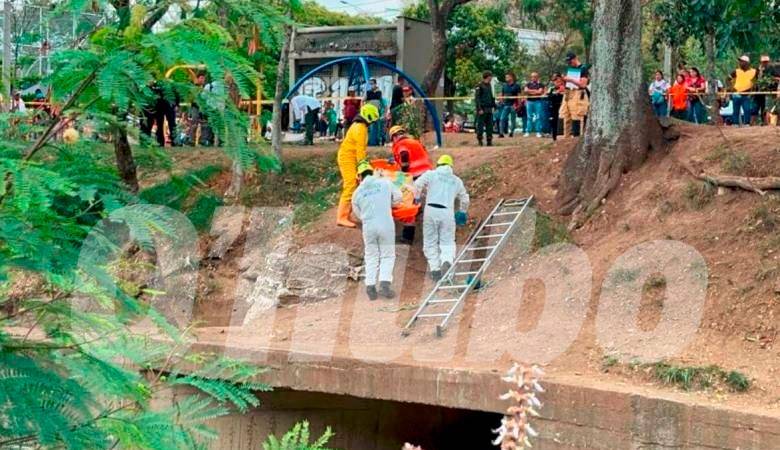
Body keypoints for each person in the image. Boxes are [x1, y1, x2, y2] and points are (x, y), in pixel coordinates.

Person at [352, 160, 403, 300]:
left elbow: (358, 214)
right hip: (385, 222)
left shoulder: (356, 193)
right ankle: (385, 285)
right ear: (371, 172)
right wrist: (389, 204)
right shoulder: (385, 182)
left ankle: (370, 286)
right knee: (387, 254)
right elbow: (399, 197)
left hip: (368, 226)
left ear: (359, 176)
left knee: (371, 255)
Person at [414, 154, 470, 281]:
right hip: (447, 212)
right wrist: (462, 211)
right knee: (448, 241)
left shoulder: (431, 174)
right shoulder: (456, 180)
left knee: (430, 242)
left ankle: (435, 270)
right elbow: (465, 198)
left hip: (431, 210)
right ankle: (447, 261)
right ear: (450, 166)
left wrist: (417, 198)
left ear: (438, 165)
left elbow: (417, 184)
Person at [336, 104, 380, 228]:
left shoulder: (358, 126)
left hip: (349, 157)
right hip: (347, 158)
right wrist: (364, 169)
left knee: (353, 185)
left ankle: (346, 215)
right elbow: (360, 151)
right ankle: (342, 217)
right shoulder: (360, 128)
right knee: (350, 186)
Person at [560, 51, 590, 138]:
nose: (569, 63)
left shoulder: (583, 68)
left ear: (575, 58)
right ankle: (566, 136)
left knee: (577, 115)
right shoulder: (570, 68)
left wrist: (571, 80)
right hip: (569, 92)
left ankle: (578, 136)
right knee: (565, 114)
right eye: (568, 62)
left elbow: (583, 84)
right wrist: (564, 80)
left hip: (578, 93)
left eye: (570, 61)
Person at [729, 55, 756, 127]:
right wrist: (731, 87)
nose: (740, 63)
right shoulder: (736, 71)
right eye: (740, 61)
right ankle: (735, 123)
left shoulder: (753, 71)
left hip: (747, 94)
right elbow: (727, 79)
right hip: (736, 93)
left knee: (747, 109)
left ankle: (746, 123)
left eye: (742, 62)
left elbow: (757, 81)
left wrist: (753, 90)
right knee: (735, 110)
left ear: (747, 63)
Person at [474, 71, 496, 146]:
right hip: (482, 109)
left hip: (489, 108)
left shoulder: (490, 85)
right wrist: (479, 109)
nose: (491, 78)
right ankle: (480, 140)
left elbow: (491, 96)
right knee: (480, 126)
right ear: (487, 76)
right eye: (490, 76)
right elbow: (477, 98)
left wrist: (494, 106)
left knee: (489, 126)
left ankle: (489, 140)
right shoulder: (479, 86)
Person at [755, 55, 777, 125]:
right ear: (761, 62)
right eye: (763, 62)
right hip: (759, 92)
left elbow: (777, 78)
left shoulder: (773, 69)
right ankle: (761, 121)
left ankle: (767, 122)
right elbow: (754, 80)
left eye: (766, 62)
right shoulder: (757, 70)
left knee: (767, 107)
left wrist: (772, 79)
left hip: (769, 91)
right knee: (760, 107)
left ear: (769, 62)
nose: (765, 63)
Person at [524, 72, 546, 137]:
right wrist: (535, 91)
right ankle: (527, 131)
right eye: (532, 76)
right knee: (529, 117)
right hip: (529, 102)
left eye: (535, 76)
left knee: (538, 117)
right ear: (531, 77)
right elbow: (525, 91)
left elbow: (540, 91)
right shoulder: (527, 84)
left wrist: (530, 91)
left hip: (538, 102)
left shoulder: (541, 84)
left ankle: (538, 132)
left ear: (537, 77)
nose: (534, 78)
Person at [499, 72, 520, 138]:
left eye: (507, 77)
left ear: (512, 77)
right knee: (502, 119)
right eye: (506, 77)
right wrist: (501, 101)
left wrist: (518, 105)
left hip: (513, 105)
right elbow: (502, 94)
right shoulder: (504, 85)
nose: (506, 78)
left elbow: (519, 96)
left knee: (513, 120)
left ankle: (511, 132)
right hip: (506, 105)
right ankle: (501, 133)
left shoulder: (517, 86)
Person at [366, 79, 384, 146]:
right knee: (371, 127)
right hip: (370, 112)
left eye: (372, 83)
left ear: (375, 83)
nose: (371, 85)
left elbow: (381, 102)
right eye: (370, 84)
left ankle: (376, 141)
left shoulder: (379, 92)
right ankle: (371, 142)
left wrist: (383, 112)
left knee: (377, 127)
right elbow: (363, 100)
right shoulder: (368, 92)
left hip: (377, 112)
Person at [547, 73, 565, 141]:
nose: (558, 83)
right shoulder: (551, 89)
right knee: (554, 122)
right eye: (556, 82)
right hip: (554, 107)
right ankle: (554, 137)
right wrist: (556, 93)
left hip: (562, 106)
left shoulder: (566, 88)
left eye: (559, 81)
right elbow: (549, 97)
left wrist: (562, 92)